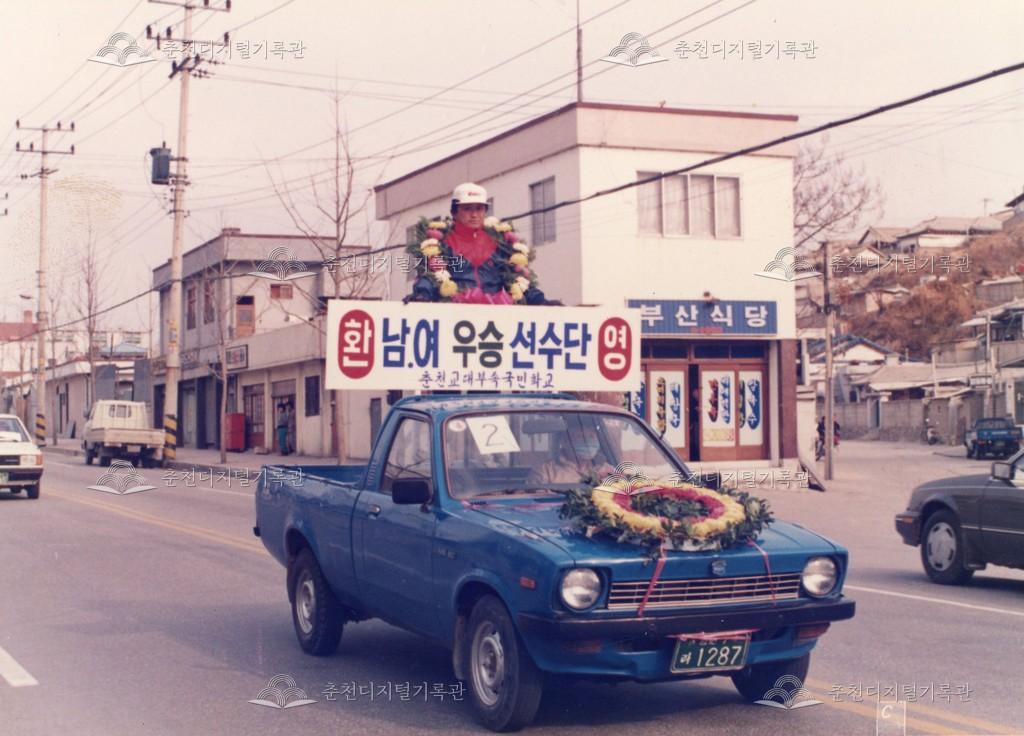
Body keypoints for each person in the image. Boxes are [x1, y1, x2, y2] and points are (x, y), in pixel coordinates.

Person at [405, 182, 548, 305]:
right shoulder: (440, 243)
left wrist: (539, 300)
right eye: (467, 209)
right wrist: (421, 295)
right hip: (453, 315)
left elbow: (518, 278)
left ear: (485, 211)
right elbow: (430, 275)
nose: (474, 215)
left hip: (497, 316)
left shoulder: (500, 242)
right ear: (454, 212)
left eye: (479, 209)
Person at [528, 422, 614, 486]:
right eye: (582, 437)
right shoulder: (546, 471)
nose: (588, 442)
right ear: (565, 442)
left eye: (592, 437)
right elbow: (531, 501)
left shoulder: (608, 470)